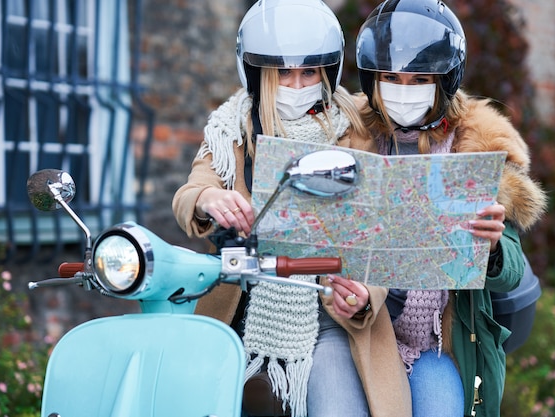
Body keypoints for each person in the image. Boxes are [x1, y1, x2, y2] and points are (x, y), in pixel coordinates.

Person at [172, 1, 411, 416]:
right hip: (237, 308)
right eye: (283, 72)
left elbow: (376, 231)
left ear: (328, 72)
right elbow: (191, 192)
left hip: (326, 314)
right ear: (256, 71)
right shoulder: (230, 128)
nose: (296, 84)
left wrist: (363, 295)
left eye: (309, 72)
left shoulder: (355, 128)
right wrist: (208, 199)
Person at [354, 1, 547, 416]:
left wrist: (492, 248)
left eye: (419, 78)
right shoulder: (357, 137)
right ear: (373, 79)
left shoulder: (473, 147)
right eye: (390, 77)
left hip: (436, 343)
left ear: (443, 81)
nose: (403, 90)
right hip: (365, 328)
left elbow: (510, 270)